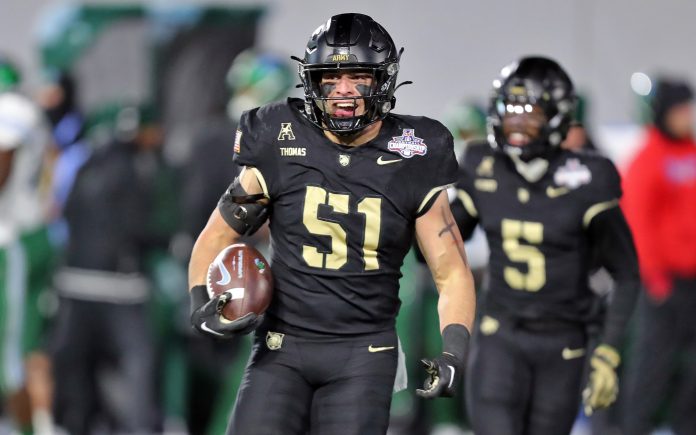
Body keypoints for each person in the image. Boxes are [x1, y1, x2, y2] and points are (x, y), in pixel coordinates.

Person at [188, 13, 476, 435]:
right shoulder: (278, 136)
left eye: (358, 76)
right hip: (281, 347)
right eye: (330, 77)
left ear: (382, 80)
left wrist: (453, 350)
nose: (343, 90)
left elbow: (451, 272)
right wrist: (200, 303)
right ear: (311, 82)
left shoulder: (415, 152)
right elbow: (218, 234)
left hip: (364, 353)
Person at [449, 56, 640, 434]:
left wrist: (609, 349)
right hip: (500, 332)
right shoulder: (482, 165)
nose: (517, 125)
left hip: (563, 340)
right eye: (511, 112)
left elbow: (627, 273)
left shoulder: (587, 177)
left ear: (557, 116)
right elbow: (438, 252)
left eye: (530, 114)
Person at [49, 104, 164, 434]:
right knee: (139, 367)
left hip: (74, 284)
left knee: (78, 379)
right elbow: (141, 225)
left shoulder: (86, 164)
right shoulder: (138, 168)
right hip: (119, 290)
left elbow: (66, 213)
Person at [620, 78, 696, 435]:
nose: (687, 117)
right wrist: (654, 277)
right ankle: (635, 427)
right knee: (653, 365)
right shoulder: (647, 160)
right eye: (681, 110)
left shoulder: (691, 153)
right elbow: (638, 224)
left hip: (694, 280)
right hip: (665, 283)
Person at [0, 55, 56, 434]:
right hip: (23, 233)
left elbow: (2, 163)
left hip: (12, 240)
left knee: (13, 354)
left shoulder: (12, 109)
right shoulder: (27, 111)